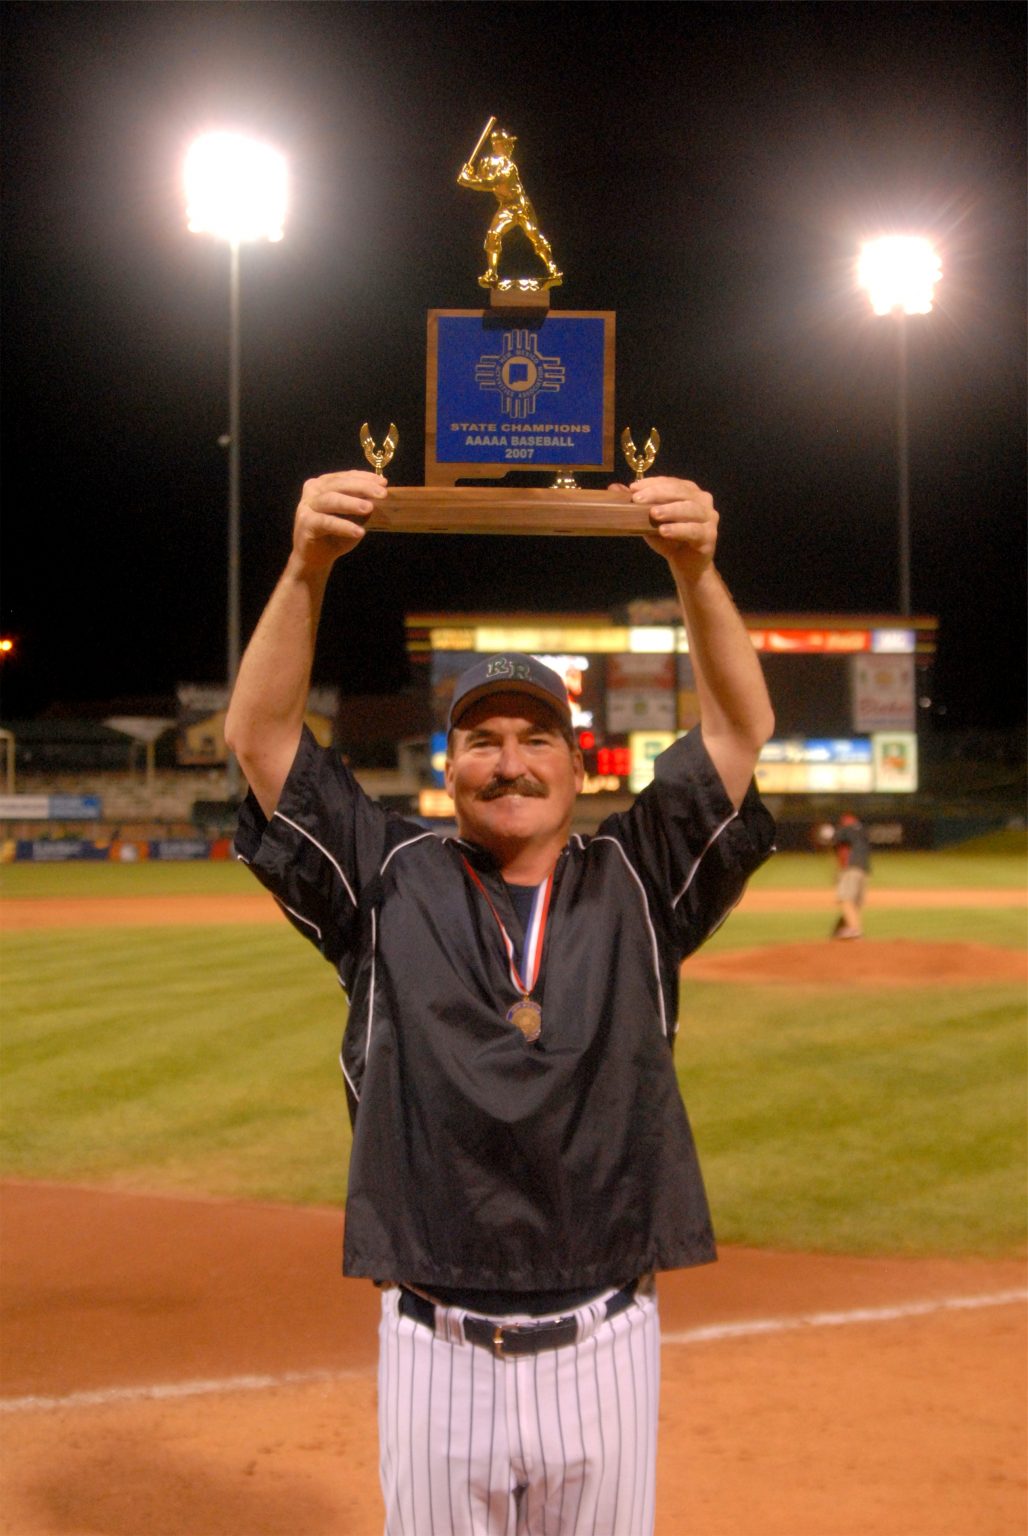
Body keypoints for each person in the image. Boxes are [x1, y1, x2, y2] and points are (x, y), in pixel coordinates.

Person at [226, 469, 775, 1536]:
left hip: (606, 1338)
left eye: (535, 740)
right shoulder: (389, 877)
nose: (509, 762)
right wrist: (306, 567)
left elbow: (738, 734)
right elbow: (261, 743)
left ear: (576, 769)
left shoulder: (636, 875)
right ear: (449, 767)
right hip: (435, 1343)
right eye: (482, 740)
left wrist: (693, 569)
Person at [457, 128, 563, 289]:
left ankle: (552, 268)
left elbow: (491, 183)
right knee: (493, 235)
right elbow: (481, 180)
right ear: (496, 145)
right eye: (506, 144)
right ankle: (492, 273)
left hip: (520, 205)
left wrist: (468, 181)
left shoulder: (509, 166)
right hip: (506, 206)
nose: (510, 147)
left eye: (510, 144)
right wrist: (469, 176)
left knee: (533, 234)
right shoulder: (486, 162)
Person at [830, 811, 871, 939]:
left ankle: (854, 930)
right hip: (864, 869)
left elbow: (835, 840)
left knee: (846, 899)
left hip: (851, 867)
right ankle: (852, 929)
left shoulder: (845, 829)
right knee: (854, 903)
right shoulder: (862, 830)